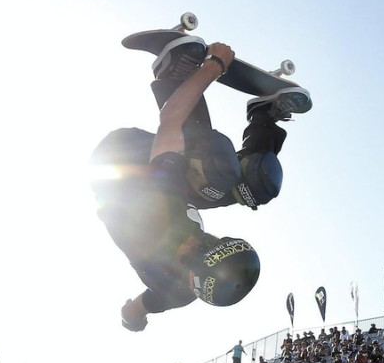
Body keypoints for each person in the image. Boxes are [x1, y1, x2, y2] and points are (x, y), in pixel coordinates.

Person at [90, 37, 311, 332]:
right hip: (167, 192)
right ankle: (264, 115)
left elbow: (170, 120)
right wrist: (132, 319)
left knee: (216, 166)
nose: (202, 237)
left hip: (119, 161)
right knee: (259, 185)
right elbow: (136, 308)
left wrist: (214, 66)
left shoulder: (161, 214)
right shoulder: (179, 293)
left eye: (203, 243)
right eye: (213, 240)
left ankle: (172, 73)